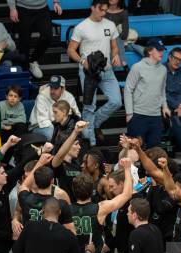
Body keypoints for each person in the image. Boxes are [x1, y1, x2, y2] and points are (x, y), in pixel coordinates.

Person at [68, 0, 123, 146]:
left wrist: (116, 54)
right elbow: (71, 50)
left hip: (107, 70)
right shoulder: (81, 27)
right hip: (88, 72)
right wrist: (82, 62)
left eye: (106, 10)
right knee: (89, 107)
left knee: (117, 101)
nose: (103, 13)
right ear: (93, 8)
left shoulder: (110, 25)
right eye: (101, 10)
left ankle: (95, 123)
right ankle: (90, 142)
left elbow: (114, 47)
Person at [124, 38, 171, 148]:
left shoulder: (163, 70)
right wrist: (129, 113)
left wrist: (165, 106)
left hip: (155, 116)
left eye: (162, 50)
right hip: (138, 115)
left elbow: (162, 90)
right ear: (149, 51)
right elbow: (128, 89)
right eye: (158, 50)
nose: (161, 52)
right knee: (133, 152)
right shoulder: (137, 67)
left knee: (154, 152)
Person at [7, 0, 62, 79]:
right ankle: (24, 72)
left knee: (47, 36)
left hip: (42, 7)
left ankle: (32, 60)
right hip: (23, 7)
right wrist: (12, 8)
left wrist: (56, 2)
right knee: (24, 42)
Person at [29, 75, 80, 141]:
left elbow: (77, 115)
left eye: (55, 88)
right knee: (52, 133)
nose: (52, 91)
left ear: (63, 89)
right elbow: (43, 121)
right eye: (51, 87)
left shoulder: (69, 97)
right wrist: (61, 127)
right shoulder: (41, 97)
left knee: (78, 130)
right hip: (38, 127)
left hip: (60, 125)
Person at [104, 0, 129, 66]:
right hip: (103, 37)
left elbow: (125, 33)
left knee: (116, 36)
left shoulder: (123, 12)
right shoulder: (102, 10)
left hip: (118, 39)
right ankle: (122, 60)